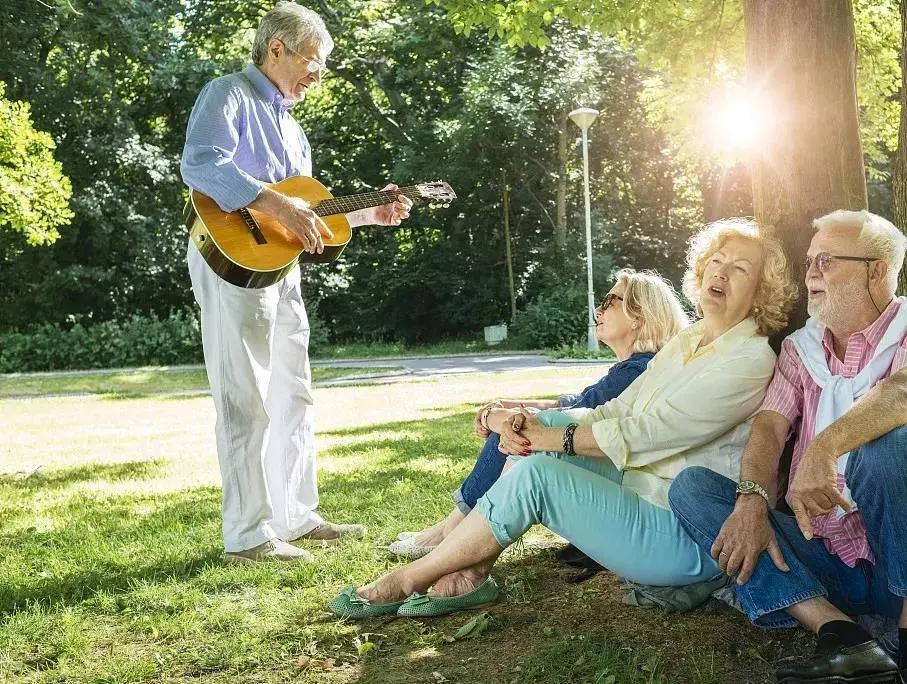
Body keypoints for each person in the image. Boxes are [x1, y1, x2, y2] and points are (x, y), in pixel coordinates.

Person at [327, 218, 797, 619]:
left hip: (684, 532)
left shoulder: (750, 359)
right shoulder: (687, 340)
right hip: (636, 491)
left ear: (760, 293)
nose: (721, 273)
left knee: (538, 473)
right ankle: (471, 575)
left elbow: (651, 434)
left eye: (740, 269)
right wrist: (536, 422)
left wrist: (552, 438)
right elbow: (616, 410)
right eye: (716, 260)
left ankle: (406, 580)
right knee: (530, 450)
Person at [668, 210, 907, 684]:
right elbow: (769, 428)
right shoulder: (800, 349)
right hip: (834, 555)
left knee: (887, 443)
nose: (810, 272)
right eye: (810, 261)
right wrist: (751, 498)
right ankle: (842, 635)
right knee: (692, 489)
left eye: (826, 261)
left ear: (876, 270)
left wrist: (823, 448)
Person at [180, 2, 413, 564]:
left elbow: (304, 216)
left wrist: (363, 216)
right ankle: (249, 535)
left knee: (294, 394)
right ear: (277, 48)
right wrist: (277, 202)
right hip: (228, 262)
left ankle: (296, 517)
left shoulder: (292, 125)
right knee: (246, 397)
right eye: (314, 60)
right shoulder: (227, 94)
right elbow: (201, 164)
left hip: (279, 272)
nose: (318, 74)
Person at [388, 269, 689, 564]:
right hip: (611, 464)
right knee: (517, 425)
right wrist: (510, 405)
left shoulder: (637, 370)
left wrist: (499, 415)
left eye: (610, 301)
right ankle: (453, 529)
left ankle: (452, 531)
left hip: (627, 483)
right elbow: (578, 403)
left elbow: (572, 417)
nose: (598, 308)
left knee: (518, 431)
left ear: (638, 316)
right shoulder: (634, 367)